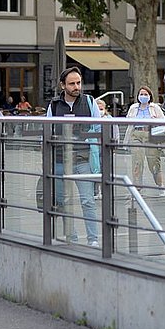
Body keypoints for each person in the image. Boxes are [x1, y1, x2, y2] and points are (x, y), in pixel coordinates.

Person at [43, 67, 102, 247]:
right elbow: (47, 131)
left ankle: (93, 239)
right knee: (63, 201)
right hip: (60, 160)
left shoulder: (89, 102)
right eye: (72, 83)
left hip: (83, 159)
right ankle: (72, 237)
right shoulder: (54, 105)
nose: (76, 87)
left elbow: (99, 128)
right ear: (63, 85)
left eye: (78, 82)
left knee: (87, 201)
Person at [124, 85, 165, 197]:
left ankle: (160, 185)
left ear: (150, 96)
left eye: (145, 94)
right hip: (136, 134)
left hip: (150, 134)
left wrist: (155, 121)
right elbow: (128, 121)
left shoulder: (154, 107)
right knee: (137, 162)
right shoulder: (133, 108)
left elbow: (163, 122)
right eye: (141, 94)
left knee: (153, 162)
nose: (143, 96)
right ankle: (137, 188)